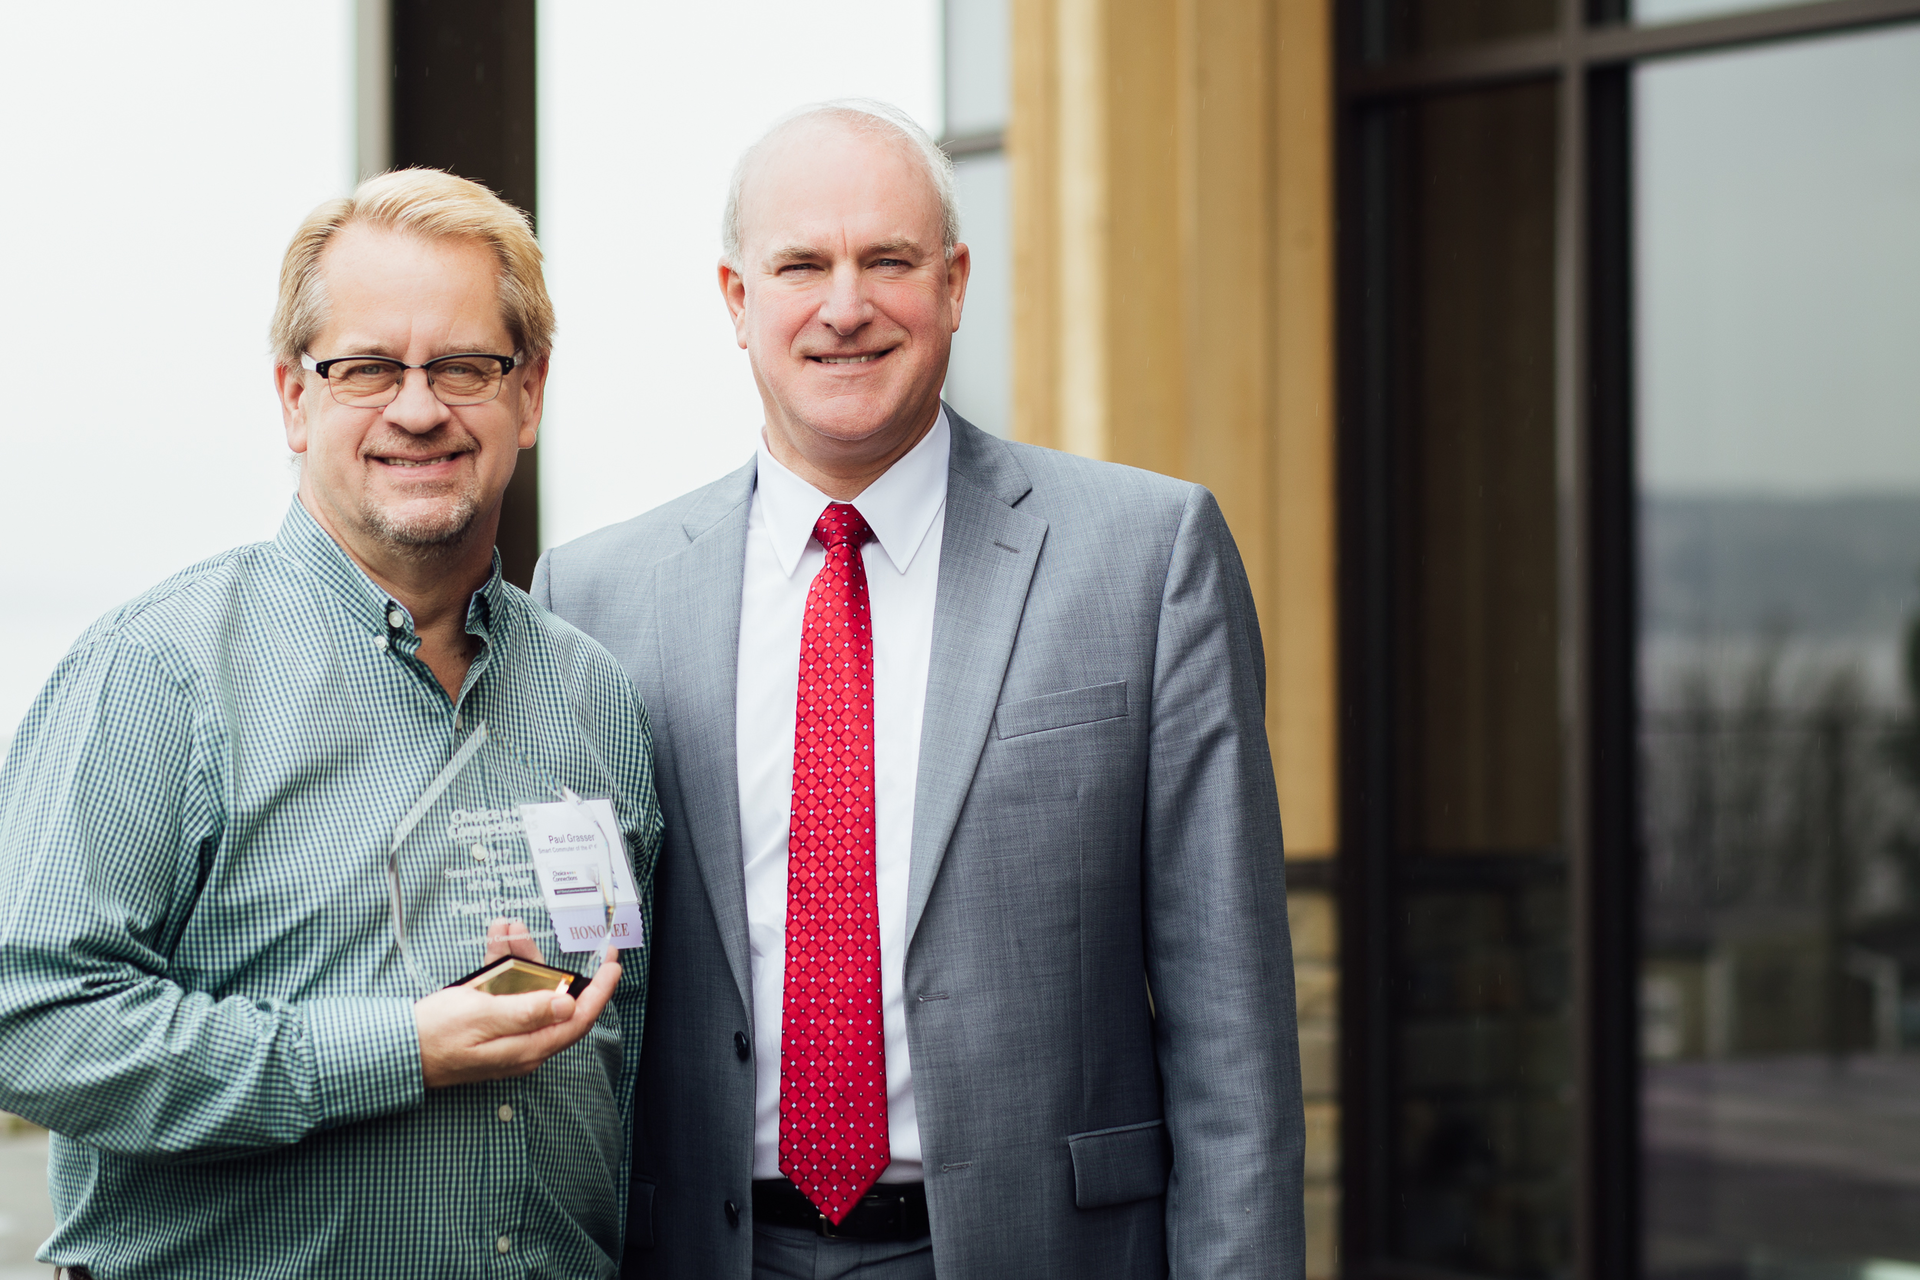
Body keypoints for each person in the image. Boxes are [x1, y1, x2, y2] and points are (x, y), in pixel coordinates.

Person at [537, 101, 1303, 1280]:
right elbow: (577, 966)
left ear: (952, 283)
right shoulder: (595, 594)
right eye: (803, 265)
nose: (847, 305)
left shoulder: (1147, 556)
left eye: (887, 260)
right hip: (705, 1248)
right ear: (738, 301)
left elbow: (1231, 1019)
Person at [0, 168, 661, 1279]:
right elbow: (29, 1020)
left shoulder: (593, 696)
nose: (417, 407)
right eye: (365, 368)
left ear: (530, 393)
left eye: (464, 365)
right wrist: (394, 1049)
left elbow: (625, 1050)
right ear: (294, 397)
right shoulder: (159, 673)